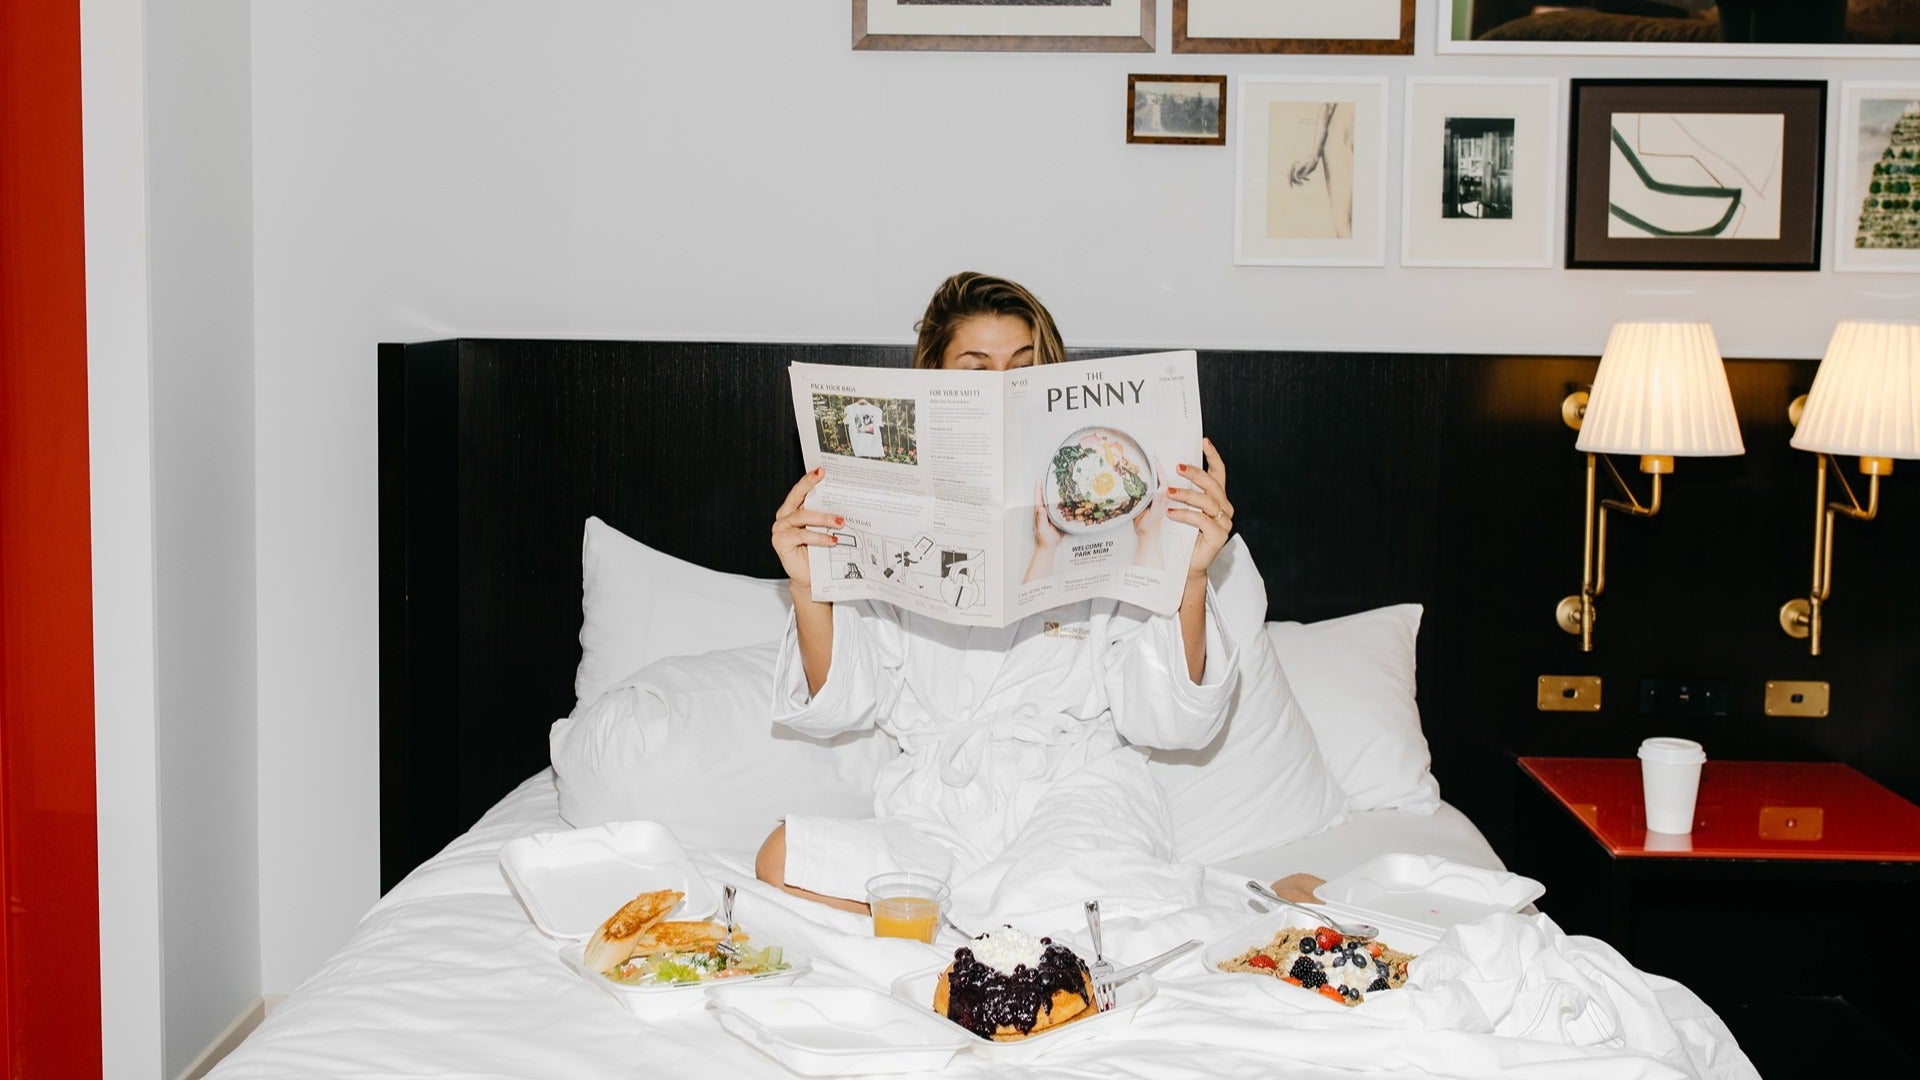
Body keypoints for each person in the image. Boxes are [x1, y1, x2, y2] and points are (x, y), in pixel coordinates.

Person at [756, 271, 1241, 924]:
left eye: (1022, 367)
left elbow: (1174, 723)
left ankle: (989, 918)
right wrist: (809, 586)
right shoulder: (888, 511)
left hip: (1076, 796)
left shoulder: (1112, 503)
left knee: (1048, 901)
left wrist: (1188, 576)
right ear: (937, 387)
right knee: (784, 858)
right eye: (976, 369)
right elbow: (846, 701)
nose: (1002, 388)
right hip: (940, 814)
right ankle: (982, 919)